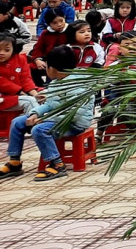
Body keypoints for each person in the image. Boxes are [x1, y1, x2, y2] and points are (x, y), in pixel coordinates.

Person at [0, 46, 91, 181]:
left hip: (74, 123)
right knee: (17, 122)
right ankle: (14, 162)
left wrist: (46, 119)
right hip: (56, 119)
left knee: (39, 129)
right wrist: (35, 114)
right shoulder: (57, 82)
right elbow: (50, 104)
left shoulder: (77, 84)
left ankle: (57, 164)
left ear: (52, 69)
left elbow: (74, 114)